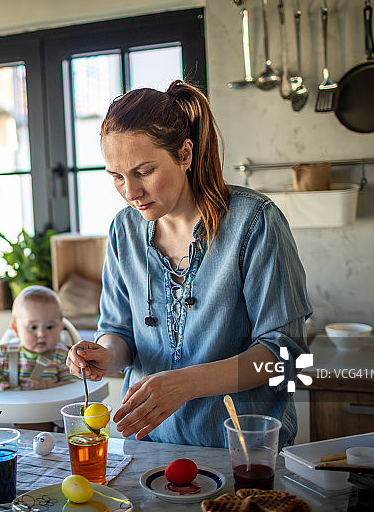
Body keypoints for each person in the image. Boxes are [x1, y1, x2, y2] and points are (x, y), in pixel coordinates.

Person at [66, 80, 311, 449]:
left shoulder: (255, 221)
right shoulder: (123, 230)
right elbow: (118, 332)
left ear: (184, 154)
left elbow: (283, 357)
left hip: (244, 451)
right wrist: (105, 355)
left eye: (144, 171)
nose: (130, 192)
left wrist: (186, 383)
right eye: (116, 176)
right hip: (149, 447)